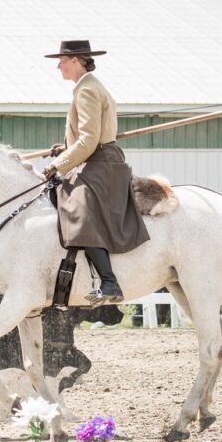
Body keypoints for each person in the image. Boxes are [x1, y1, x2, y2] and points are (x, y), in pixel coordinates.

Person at [43, 40, 150, 305]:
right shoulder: (87, 88)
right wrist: (65, 148)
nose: (58, 66)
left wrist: (59, 164)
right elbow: (86, 137)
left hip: (101, 160)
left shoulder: (87, 91)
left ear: (76, 61)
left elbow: (89, 140)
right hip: (96, 157)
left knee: (79, 208)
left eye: (62, 61)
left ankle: (109, 283)